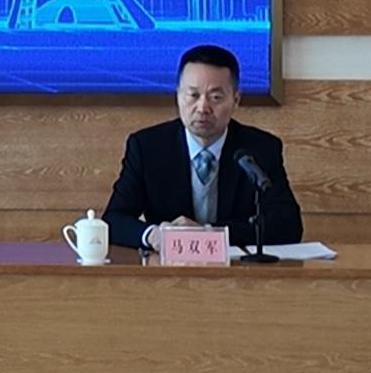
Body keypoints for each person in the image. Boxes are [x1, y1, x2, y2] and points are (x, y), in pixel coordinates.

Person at [102, 44, 302, 252]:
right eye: (193, 95)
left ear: (236, 100)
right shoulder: (147, 147)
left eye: (215, 97)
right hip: (169, 268)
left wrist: (211, 233)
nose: (203, 108)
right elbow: (114, 220)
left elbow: (288, 226)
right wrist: (153, 234)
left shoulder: (260, 149)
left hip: (238, 268)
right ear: (178, 95)